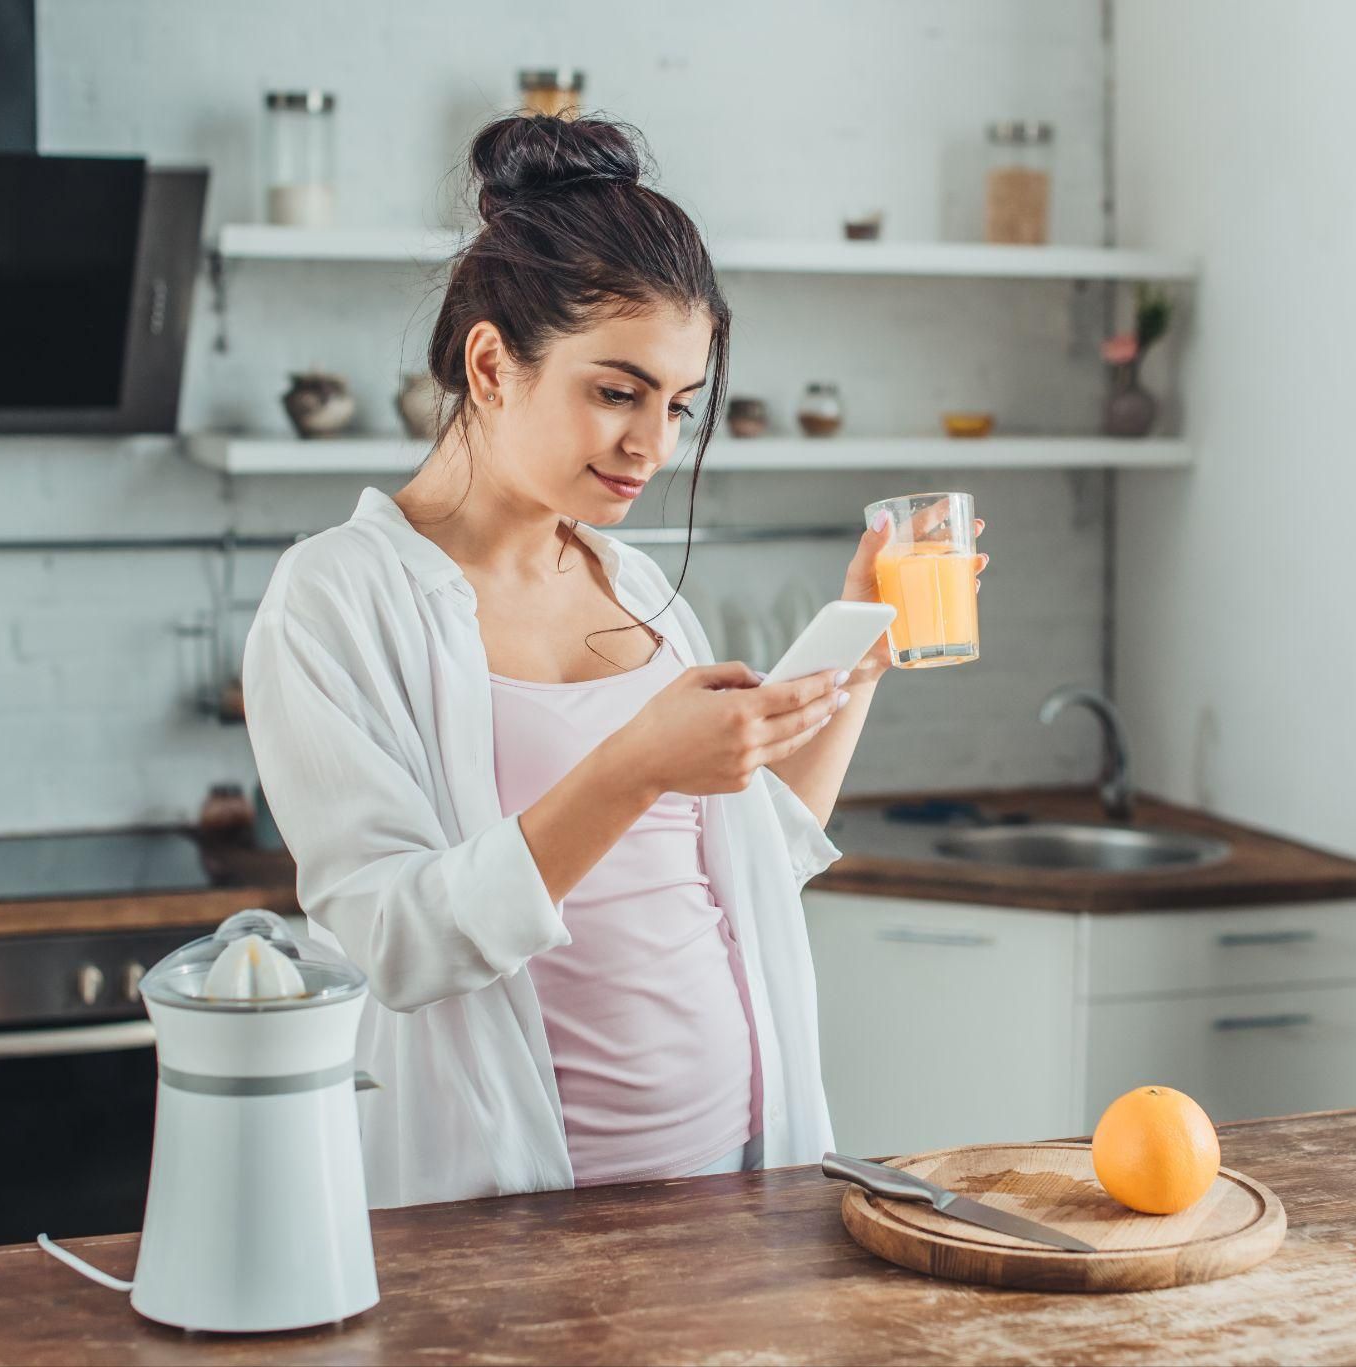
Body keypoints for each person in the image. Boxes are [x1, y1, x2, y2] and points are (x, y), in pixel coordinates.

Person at [243, 114, 985, 1207]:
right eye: (617, 390)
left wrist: (858, 642)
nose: (653, 443)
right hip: (519, 1212)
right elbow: (397, 940)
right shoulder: (336, 599)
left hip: (746, 1181)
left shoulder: (632, 587)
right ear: (492, 363)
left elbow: (750, 862)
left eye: (678, 405)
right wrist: (635, 762)